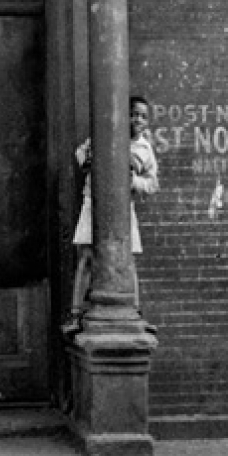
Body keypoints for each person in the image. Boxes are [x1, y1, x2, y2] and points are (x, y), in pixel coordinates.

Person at [63, 95, 159, 335]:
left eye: (143, 116)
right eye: (134, 114)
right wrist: (88, 160)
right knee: (86, 258)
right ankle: (76, 314)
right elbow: (80, 154)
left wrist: (134, 180)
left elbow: (152, 183)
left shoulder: (145, 149)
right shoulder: (103, 135)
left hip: (123, 209)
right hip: (93, 203)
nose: (138, 119)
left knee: (127, 262)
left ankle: (135, 312)